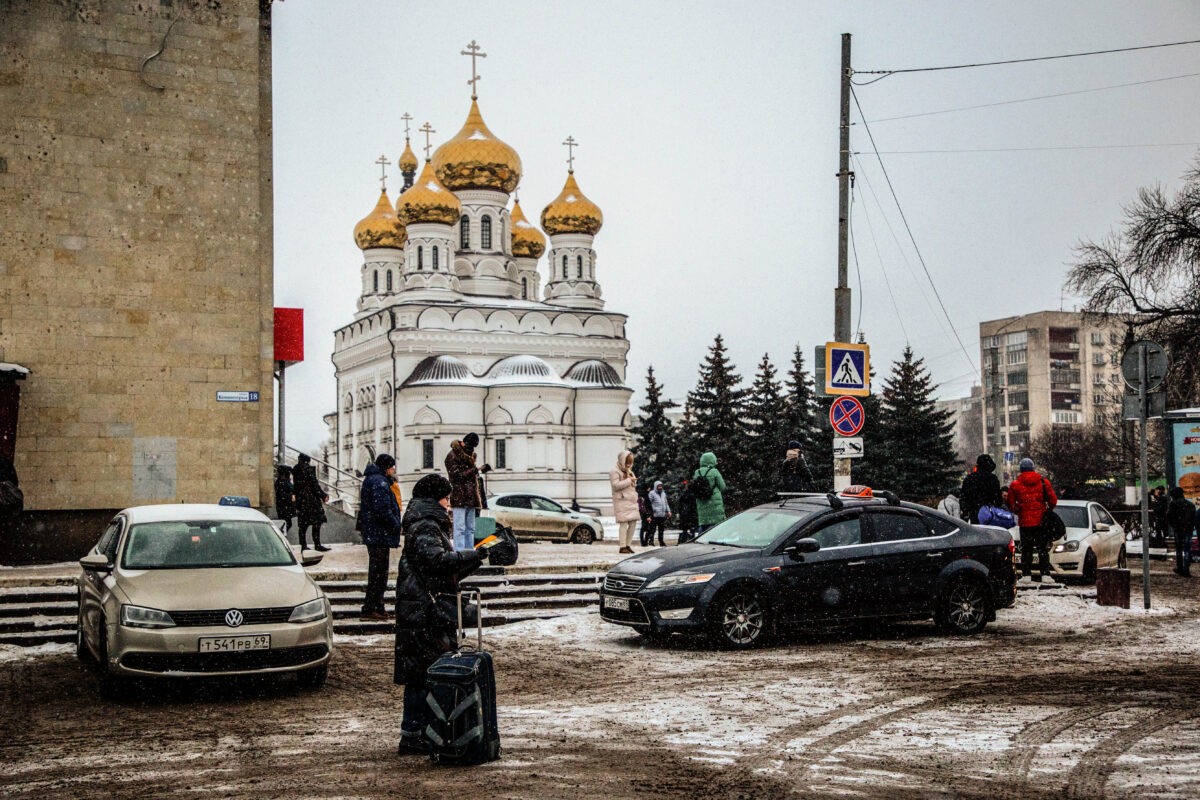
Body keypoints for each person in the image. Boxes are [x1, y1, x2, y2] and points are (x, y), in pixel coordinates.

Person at [392, 473, 487, 755]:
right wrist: (473, 555)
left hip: (422, 609)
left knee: (423, 673)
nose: (449, 503)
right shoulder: (425, 525)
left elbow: (444, 568)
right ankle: (413, 733)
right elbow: (436, 562)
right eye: (446, 497)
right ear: (435, 498)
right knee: (422, 674)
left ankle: (420, 731)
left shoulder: (427, 523)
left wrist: (477, 556)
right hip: (422, 613)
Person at [359, 454, 404, 621]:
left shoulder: (376, 479)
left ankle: (377, 606)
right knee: (379, 573)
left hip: (376, 533)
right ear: (386, 467)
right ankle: (371, 607)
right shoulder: (379, 482)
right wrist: (396, 525)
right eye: (392, 467)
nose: (394, 470)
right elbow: (382, 509)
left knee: (378, 572)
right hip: (379, 534)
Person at [1007, 457, 1058, 583]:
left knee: (1026, 549)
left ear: (1020, 470)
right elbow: (1053, 500)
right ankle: (1045, 574)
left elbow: (1010, 503)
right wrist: (1045, 509)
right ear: (1033, 468)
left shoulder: (1015, 485)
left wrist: (1020, 510)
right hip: (1041, 521)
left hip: (1025, 522)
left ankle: (1026, 575)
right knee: (1042, 548)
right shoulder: (1043, 482)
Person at [445, 433, 491, 551]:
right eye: (470, 446)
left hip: (471, 496)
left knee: (470, 528)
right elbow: (455, 476)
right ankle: (460, 553)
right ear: (463, 442)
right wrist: (475, 470)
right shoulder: (453, 455)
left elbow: (468, 474)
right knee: (460, 528)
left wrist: (479, 470)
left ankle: (469, 552)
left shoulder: (469, 454)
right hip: (460, 495)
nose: (471, 449)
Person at [293, 453, 330, 551]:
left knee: (303, 525)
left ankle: (303, 546)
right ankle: (317, 544)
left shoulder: (295, 471)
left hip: (301, 501)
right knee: (316, 522)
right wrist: (323, 495)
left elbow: (296, 487)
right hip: (311, 500)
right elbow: (315, 485)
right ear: (307, 461)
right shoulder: (308, 470)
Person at [960, 454, 1004, 524]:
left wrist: (967, 510)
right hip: (990, 513)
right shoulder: (992, 479)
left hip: (975, 513)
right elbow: (998, 498)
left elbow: (963, 497)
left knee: (977, 532)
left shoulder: (970, 478)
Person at [609, 450, 639, 554]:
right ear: (622, 461)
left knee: (633, 522)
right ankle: (622, 546)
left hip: (630, 501)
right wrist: (629, 480)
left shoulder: (629, 471)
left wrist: (633, 481)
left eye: (630, 463)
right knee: (623, 523)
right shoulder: (614, 471)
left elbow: (631, 484)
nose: (629, 465)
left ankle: (628, 545)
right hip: (621, 500)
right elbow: (616, 486)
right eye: (627, 463)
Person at [693, 451, 727, 535]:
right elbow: (723, 487)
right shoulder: (714, 471)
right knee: (714, 526)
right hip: (714, 503)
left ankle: (701, 541)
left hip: (701, 503)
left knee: (703, 524)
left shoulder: (697, 472)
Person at [1166, 486, 1195, 577]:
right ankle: (1186, 568)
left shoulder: (1173, 504)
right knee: (1187, 549)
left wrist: (1174, 525)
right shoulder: (1190, 504)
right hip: (1188, 529)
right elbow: (1193, 517)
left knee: (1179, 549)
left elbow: (1169, 516)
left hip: (1178, 529)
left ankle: (1180, 567)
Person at [646, 480, 672, 547]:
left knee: (661, 530)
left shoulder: (663, 493)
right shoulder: (652, 493)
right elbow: (649, 503)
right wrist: (652, 511)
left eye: (661, 486)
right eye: (658, 486)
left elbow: (666, 503)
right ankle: (651, 541)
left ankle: (661, 541)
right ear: (656, 486)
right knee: (653, 529)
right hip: (655, 515)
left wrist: (668, 511)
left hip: (662, 515)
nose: (660, 487)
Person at [273, 464, 296, 536]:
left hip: (286, 506)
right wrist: (291, 496)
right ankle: (280, 536)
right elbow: (281, 494)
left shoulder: (285, 481)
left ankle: (280, 536)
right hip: (283, 506)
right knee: (286, 523)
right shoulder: (281, 482)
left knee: (287, 523)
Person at [677, 479, 697, 543]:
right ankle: (692, 539)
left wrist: (681, 512)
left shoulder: (683, 494)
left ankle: (683, 540)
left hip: (684, 514)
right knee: (692, 529)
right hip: (691, 514)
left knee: (685, 529)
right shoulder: (694, 495)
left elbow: (680, 505)